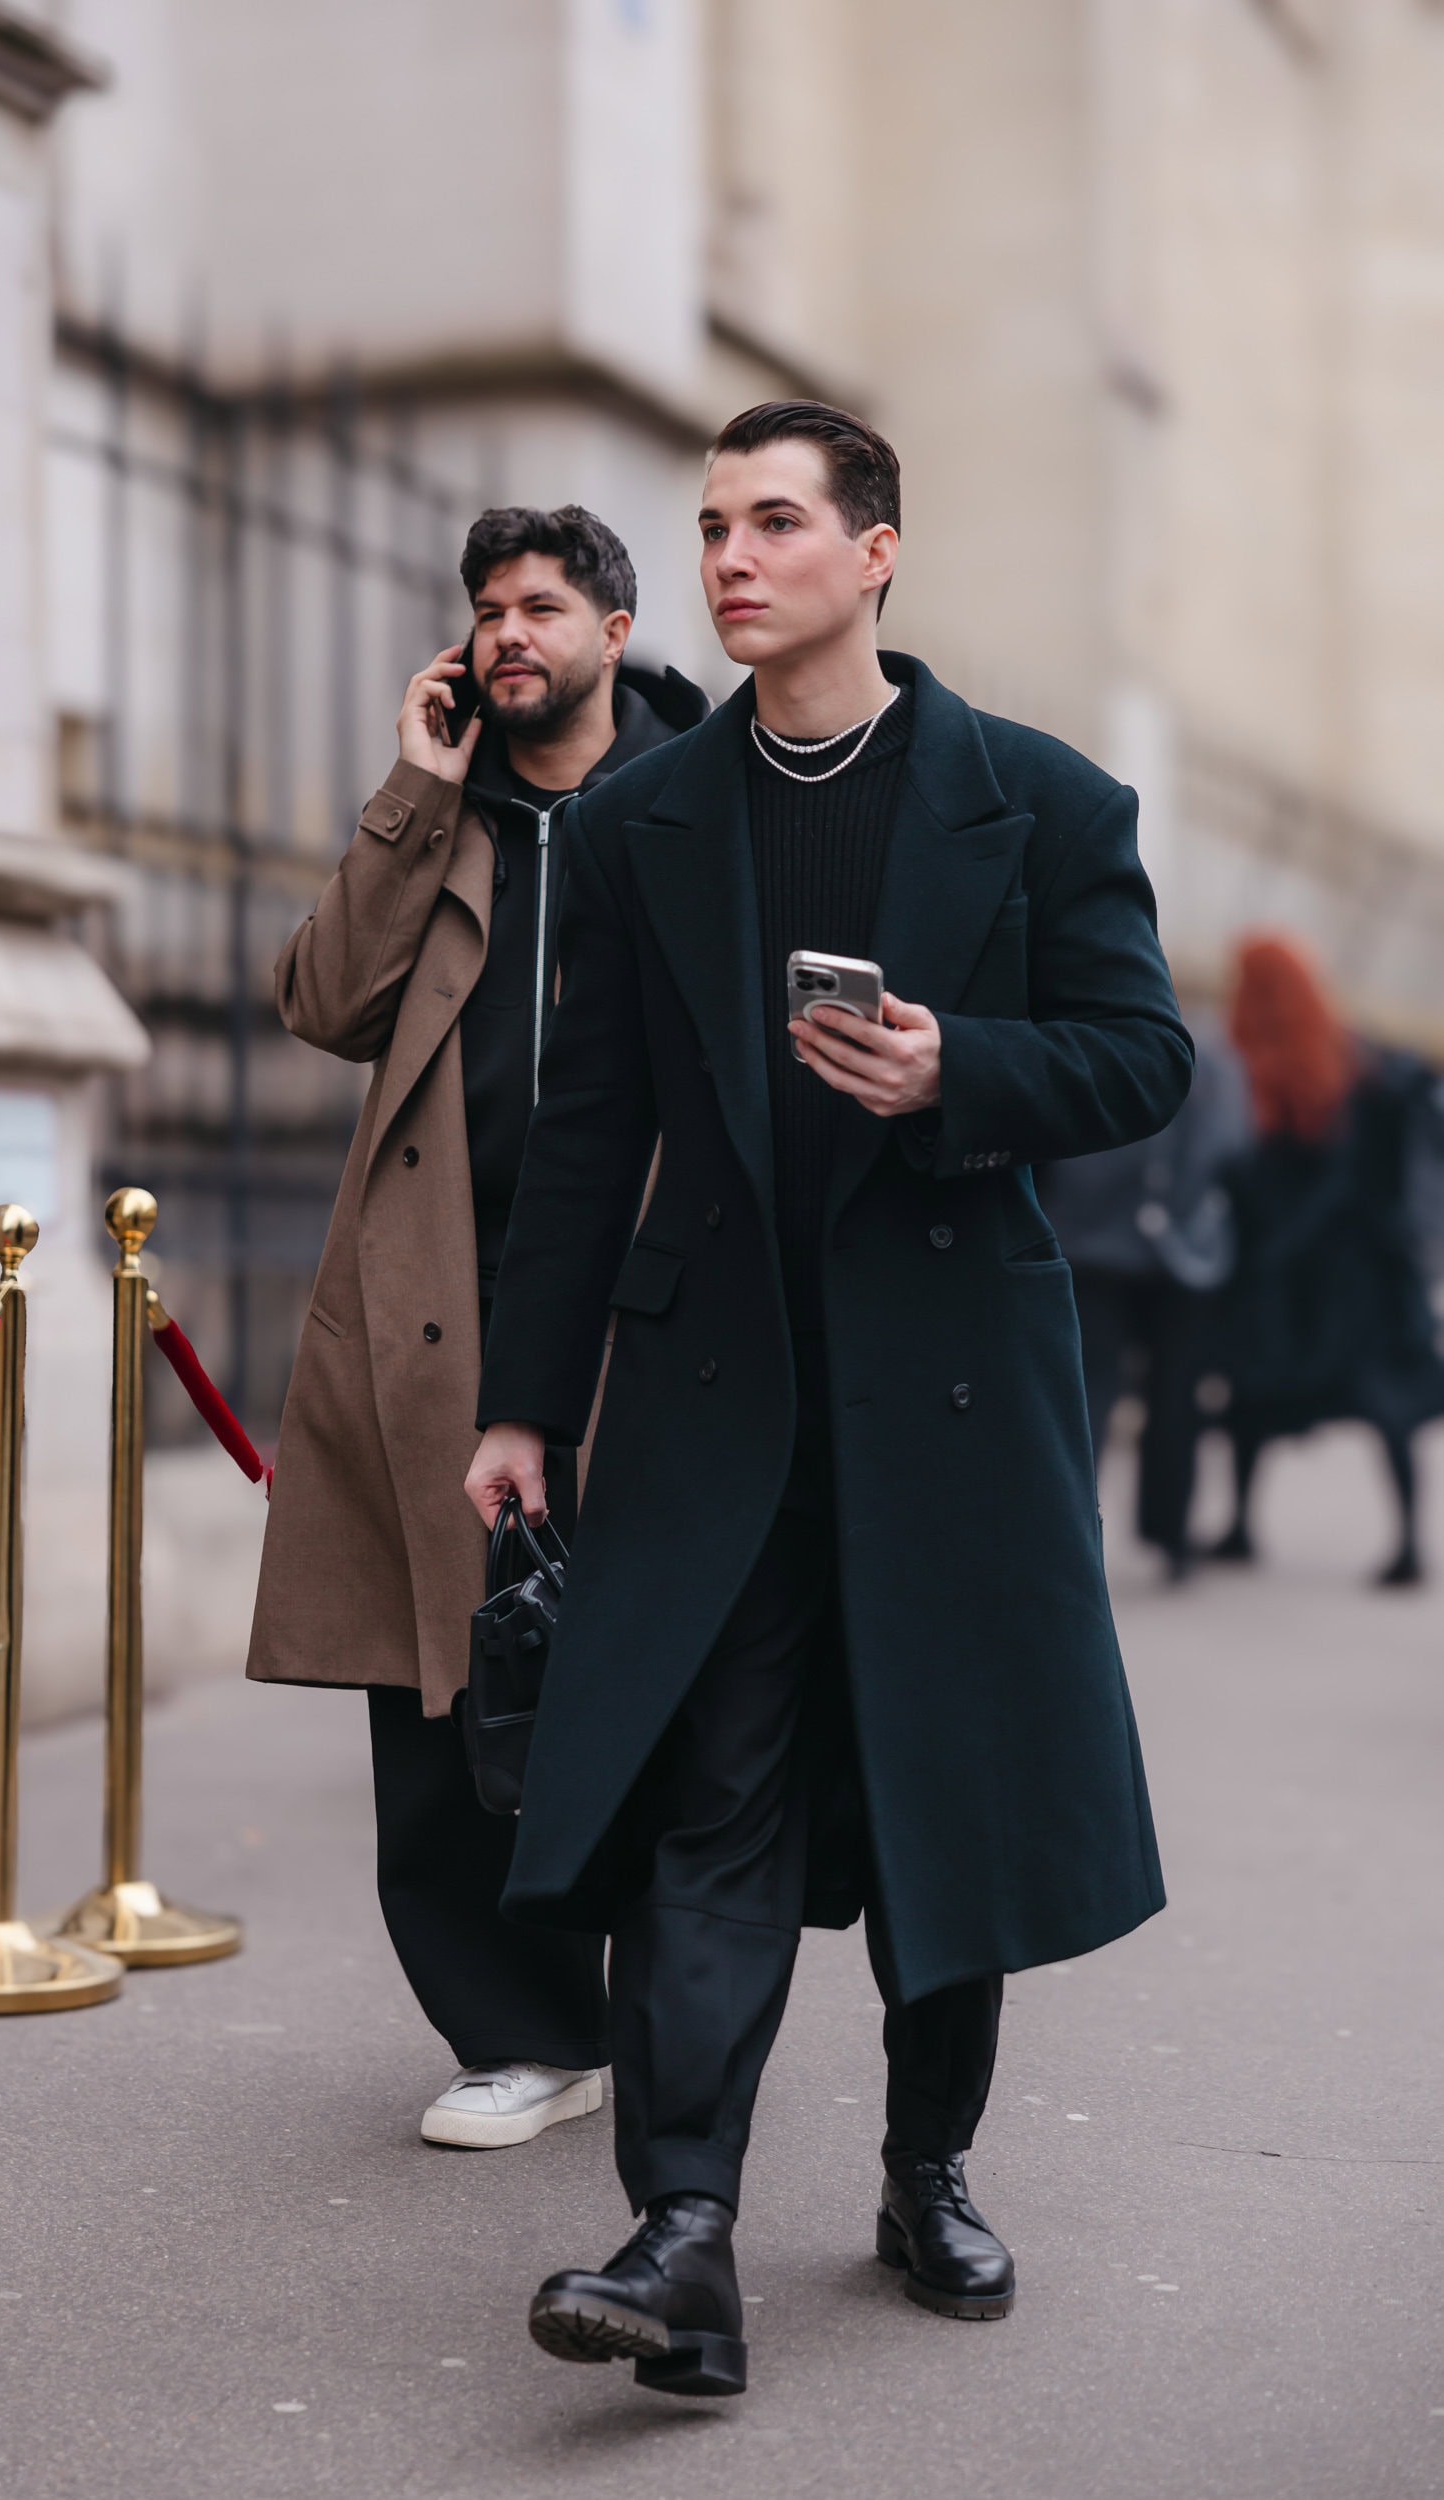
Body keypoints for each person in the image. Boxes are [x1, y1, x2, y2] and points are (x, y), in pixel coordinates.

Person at [464, 400, 1193, 2397]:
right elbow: (582, 1121)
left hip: (948, 1381)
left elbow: (1136, 1060)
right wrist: (525, 1396)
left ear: (872, 551)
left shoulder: (1032, 798)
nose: (728, 554)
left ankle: (922, 2160)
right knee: (712, 1787)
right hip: (718, 1395)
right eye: (707, 523)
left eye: (773, 519)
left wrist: (956, 1066)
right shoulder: (640, 817)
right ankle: (679, 2224)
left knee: (936, 1780)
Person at [247, 504, 706, 2147]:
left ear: (612, 625)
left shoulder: (701, 796)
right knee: (445, 1684)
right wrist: (412, 792)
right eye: (487, 611)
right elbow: (322, 1004)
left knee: (653, 1663)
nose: (511, 633)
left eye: (541, 606)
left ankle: (666, 2010)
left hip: (647, 1297)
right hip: (444, 1297)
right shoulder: (446, 815)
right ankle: (519, 2029)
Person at [1209, 934, 1444, 1586]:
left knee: (1255, 1397)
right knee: (1378, 1405)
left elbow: (1244, 1173)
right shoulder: (1356, 1062)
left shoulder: (1251, 1066)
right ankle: (1406, 1546)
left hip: (1299, 1274)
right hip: (1352, 1270)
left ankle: (1239, 1527)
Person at [1039, 1022, 1250, 1578]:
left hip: (1098, 1241)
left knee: (1093, 1393)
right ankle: (1169, 1535)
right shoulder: (1214, 1053)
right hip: (1178, 1248)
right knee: (1169, 1394)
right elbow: (1231, 1145)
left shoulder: (1084, 1039)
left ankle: (1072, 1533)